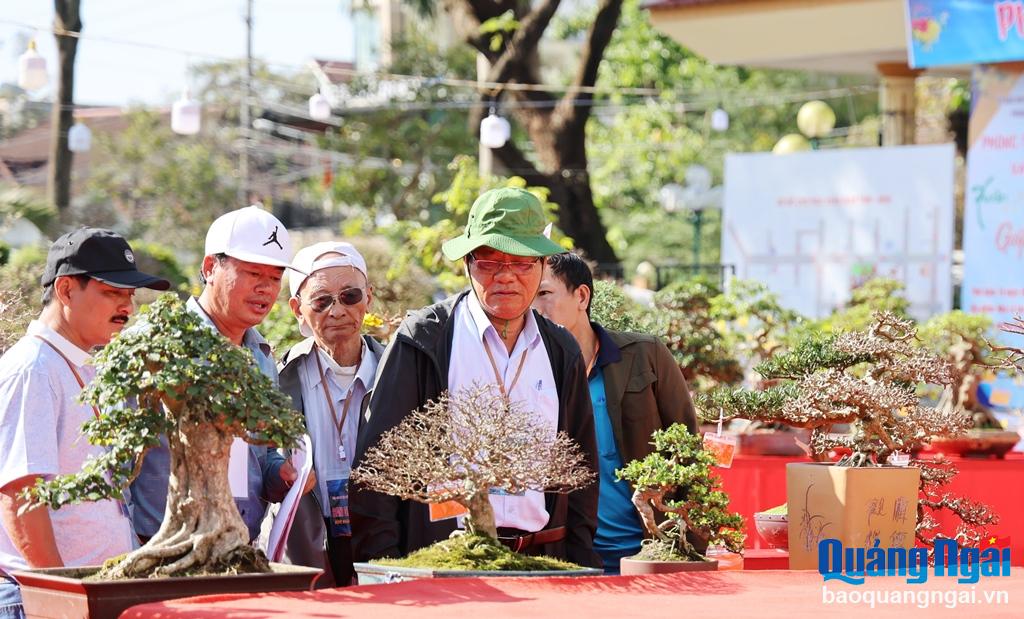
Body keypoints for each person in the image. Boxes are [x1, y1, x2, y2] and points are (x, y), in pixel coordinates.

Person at [351, 187, 600, 568]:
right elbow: (378, 464)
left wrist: (581, 561)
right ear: (467, 262)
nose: (506, 277)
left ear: (543, 265)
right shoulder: (425, 339)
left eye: (521, 263)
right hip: (442, 557)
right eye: (489, 262)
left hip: (539, 557)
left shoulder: (560, 350)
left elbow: (582, 469)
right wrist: (383, 567)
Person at [0, 229, 170, 617]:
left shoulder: (82, 363)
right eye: (113, 291)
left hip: (87, 596)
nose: (127, 306)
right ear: (65, 290)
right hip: (41, 602)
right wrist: (59, 599)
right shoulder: (33, 370)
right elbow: (20, 494)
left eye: (131, 294)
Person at [128, 206, 314, 546]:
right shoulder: (157, 346)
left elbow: (263, 452)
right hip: (163, 551)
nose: (265, 289)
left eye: (274, 278)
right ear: (210, 267)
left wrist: (281, 474)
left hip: (239, 547)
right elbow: (116, 461)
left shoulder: (261, 357)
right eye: (253, 273)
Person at [532, 251, 698, 574]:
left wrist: (690, 543)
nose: (535, 307)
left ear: (581, 296)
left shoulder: (645, 355)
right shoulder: (532, 373)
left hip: (649, 549)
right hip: (571, 557)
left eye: (545, 293)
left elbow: (688, 448)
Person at [272, 242, 384, 587]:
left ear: (368, 297)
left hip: (382, 538)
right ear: (297, 309)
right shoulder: (280, 376)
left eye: (349, 296)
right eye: (321, 301)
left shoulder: (395, 371)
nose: (337, 310)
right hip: (308, 542)